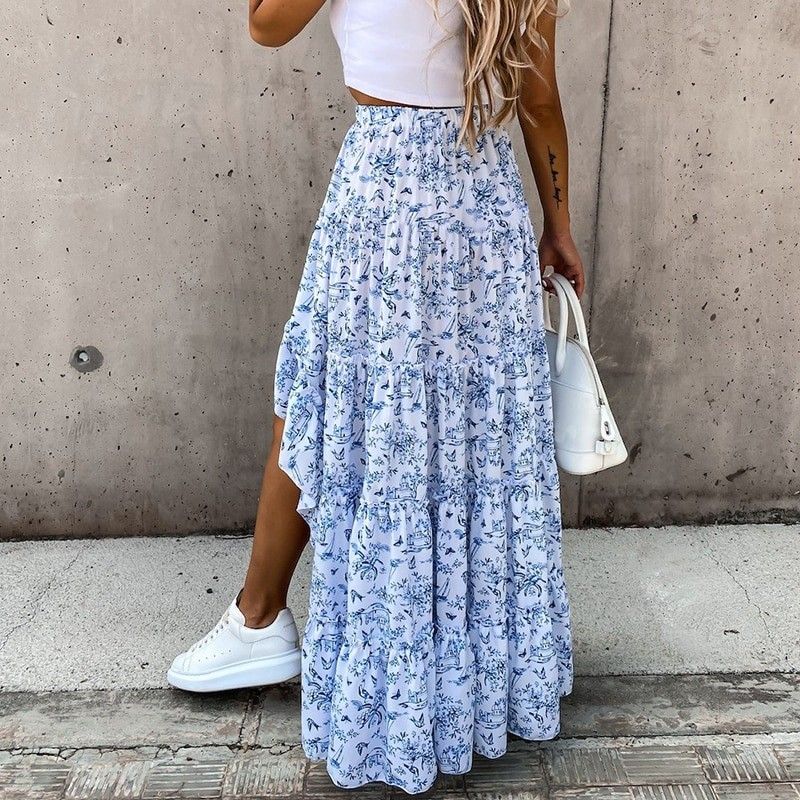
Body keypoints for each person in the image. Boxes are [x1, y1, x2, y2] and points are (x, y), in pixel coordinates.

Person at [168, 0, 584, 793]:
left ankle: (261, 620)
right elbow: (539, 99)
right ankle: (460, 669)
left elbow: (266, 24)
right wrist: (558, 226)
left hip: (387, 198)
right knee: (470, 431)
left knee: (329, 402)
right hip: (482, 200)